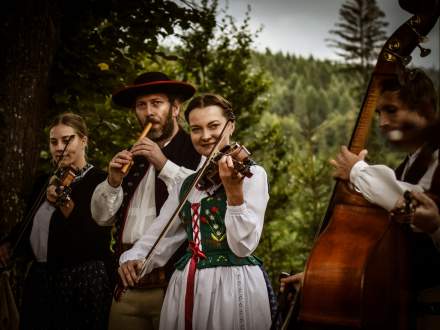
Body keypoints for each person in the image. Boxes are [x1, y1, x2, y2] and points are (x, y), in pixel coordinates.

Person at [118, 93, 272, 330]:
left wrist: (233, 193)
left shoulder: (252, 175)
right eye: (196, 129)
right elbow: (161, 234)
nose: (206, 136)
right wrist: (135, 256)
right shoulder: (187, 183)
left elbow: (243, 246)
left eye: (214, 126)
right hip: (190, 283)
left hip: (233, 285)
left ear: (230, 125)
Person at [91, 71, 201, 330]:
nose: (149, 112)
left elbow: (198, 196)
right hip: (127, 287)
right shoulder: (133, 154)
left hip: (173, 285)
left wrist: (162, 163)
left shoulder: (195, 150)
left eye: (157, 103)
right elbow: (101, 217)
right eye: (142, 105)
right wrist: (113, 181)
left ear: (175, 109)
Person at [0, 113, 113, 329]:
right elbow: (32, 225)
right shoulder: (44, 181)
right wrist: (9, 245)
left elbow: (94, 235)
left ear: (84, 141)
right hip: (41, 280)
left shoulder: (99, 180)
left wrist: (63, 201)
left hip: (82, 281)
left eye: (67, 140)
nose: (59, 147)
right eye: (54, 142)